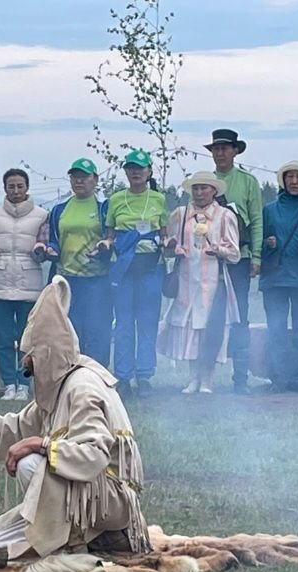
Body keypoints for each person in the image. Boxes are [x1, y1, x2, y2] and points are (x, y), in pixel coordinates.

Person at [0, 275, 149, 559]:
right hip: (93, 494)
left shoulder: (82, 388)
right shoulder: (58, 386)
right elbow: (11, 431)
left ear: (46, 356)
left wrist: (39, 445)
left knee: (30, 463)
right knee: (4, 536)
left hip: (111, 502)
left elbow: (94, 456)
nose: (28, 371)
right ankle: (80, 535)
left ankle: (99, 535)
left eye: (30, 362)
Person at [157, 171, 240, 393]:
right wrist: (174, 247)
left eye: (204, 188)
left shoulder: (224, 216)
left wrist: (219, 250)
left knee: (210, 328)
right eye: (196, 188)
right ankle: (193, 378)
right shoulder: (181, 214)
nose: (200, 192)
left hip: (213, 280)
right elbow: (169, 244)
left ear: (214, 191)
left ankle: (207, 380)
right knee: (190, 328)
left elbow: (235, 252)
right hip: (186, 277)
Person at [105, 149, 169, 398]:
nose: (135, 173)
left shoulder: (159, 199)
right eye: (131, 168)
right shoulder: (116, 199)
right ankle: (123, 376)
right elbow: (110, 233)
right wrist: (106, 243)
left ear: (149, 171)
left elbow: (163, 232)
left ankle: (144, 375)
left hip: (150, 266)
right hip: (122, 266)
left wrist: (169, 243)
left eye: (140, 168)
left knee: (147, 321)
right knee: (122, 322)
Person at [206, 129, 263, 394]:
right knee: (209, 317)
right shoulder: (204, 181)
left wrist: (257, 255)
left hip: (240, 258)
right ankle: (206, 377)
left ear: (235, 151)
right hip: (208, 261)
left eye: (225, 149)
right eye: (216, 149)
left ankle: (240, 377)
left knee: (239, 317)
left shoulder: (248, 181)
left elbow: (256, 219)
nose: (221, 153)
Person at [0, 168, 49, 401]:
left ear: (27, 187)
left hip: (28, 283)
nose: (15, 191)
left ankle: (24, 383)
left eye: (19, 186)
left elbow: (44, 243)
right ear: (4, 188)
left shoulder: (42, 215)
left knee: (27, 339)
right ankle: (8, 384)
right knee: (3, 339)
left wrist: (41, 250)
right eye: (10, 186)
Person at [259, 161, 298, 393]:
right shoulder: (269, 210)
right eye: (290, 176)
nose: (294, 181)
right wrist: (267, 244)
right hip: (275, 279)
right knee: (276, 331)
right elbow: (259, 243)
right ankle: (278, 379)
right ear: (282, 180)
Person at [44, 158, 111, 366]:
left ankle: (97, 372)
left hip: (96, 280)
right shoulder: (59, 210)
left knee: (97, 328)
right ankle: (70, 370)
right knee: (68, 328)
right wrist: (50, 249)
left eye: (84, 177)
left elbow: (111, 237)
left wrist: (103, 247)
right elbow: (54, 239)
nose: (79, 181)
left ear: (95, 179)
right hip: (67, 280)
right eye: (75, 177)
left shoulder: (103, 208)